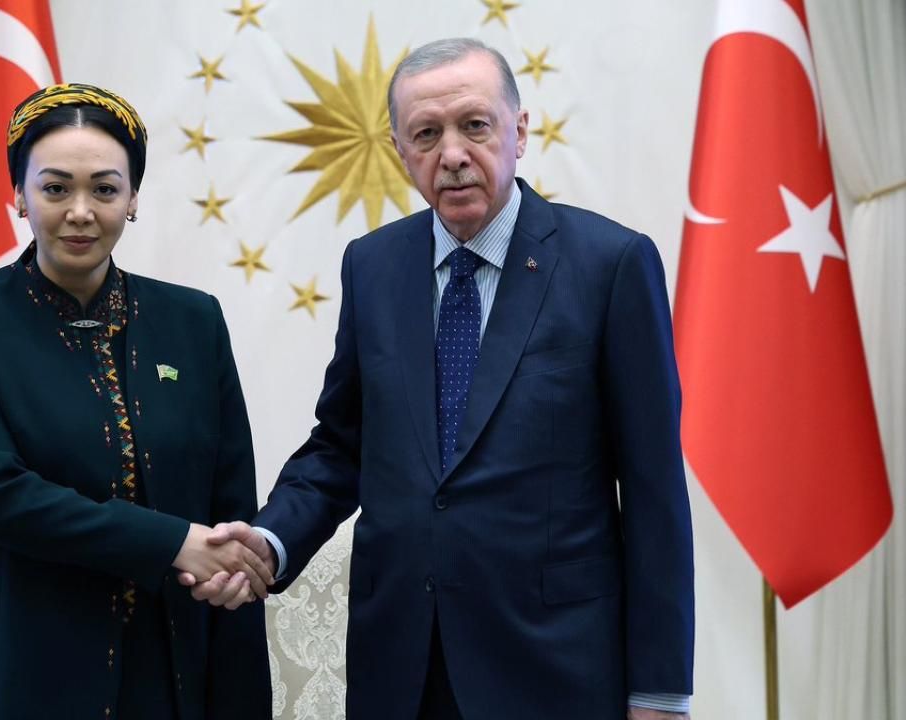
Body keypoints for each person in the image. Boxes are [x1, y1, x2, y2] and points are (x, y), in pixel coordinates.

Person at [185, 39, 694, 719]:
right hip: (403, 667)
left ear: (519, 131)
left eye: (474, 126)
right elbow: (342, 446)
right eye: (426, 135)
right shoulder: (372, 266)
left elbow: (656, 492)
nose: (452, 154)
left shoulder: (611, 264)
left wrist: (660, 692)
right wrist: (270, 542)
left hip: (555, 668)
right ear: (401, 151)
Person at [0, 83, 272, 720]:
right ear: (19, 195)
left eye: (104, 189)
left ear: (132, 199)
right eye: (55, 188)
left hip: (174, 666)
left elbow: (228, 494)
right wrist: (172, 541)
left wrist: (228, 571)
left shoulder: (193, 320)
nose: (80, 211)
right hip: (25, 669)